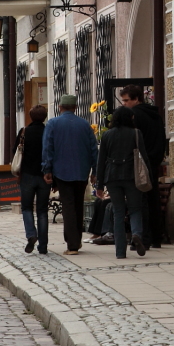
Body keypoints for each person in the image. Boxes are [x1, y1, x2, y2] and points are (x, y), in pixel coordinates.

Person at [42, 94, 98, 255]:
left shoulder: (53, 124)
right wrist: (95, 170)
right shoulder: (85, 125)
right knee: (78, 205)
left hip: (62, 171)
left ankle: (72, 245)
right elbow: (93, 149)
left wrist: (47, 169)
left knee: (68, 206)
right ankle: (76, 240)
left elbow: (48, 148)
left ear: (60, 107)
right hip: (82, 171)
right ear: (75, 108)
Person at [95, 106, 148, 259]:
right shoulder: (135, 133)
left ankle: (120, 252)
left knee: (118, 212)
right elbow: (144, 157)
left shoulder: (107, 135)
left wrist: (99, 185)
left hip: (112, 177)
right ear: (130, 118)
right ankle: (136, 234)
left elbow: (101, 161)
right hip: (132, 176)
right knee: (135, 209)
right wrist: (148, 178)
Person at [119, 85, 167, 249]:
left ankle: (144, 238)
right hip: (153, 161)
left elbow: (133, 141)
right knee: (153, 199)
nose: (124, 104)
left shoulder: (135, 115)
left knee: (141, 201)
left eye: (126, 100)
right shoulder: (155, 115)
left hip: (139, 162)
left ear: (136, 99)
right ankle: (156, 237)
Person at [16, 106, 50, 254]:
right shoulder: (48, 131)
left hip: (27, 175)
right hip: (44, 175)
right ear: (45, 117)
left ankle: (31, 234)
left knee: (26, 208)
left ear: (30, 116)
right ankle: (43, 246)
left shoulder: (24, 132)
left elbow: (15, 151)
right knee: (42, 211)